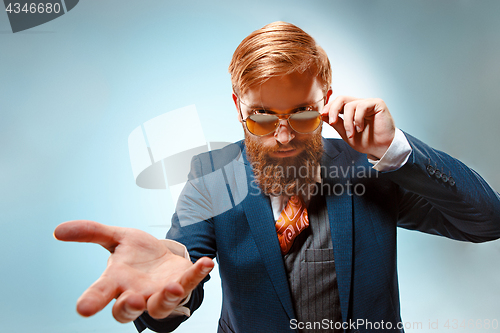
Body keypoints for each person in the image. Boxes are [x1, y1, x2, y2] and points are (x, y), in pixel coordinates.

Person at [54, 22, 500, 333]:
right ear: (237, 107)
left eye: (302, 114)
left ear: (325, 99)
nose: (283, 136)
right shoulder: (210, 177)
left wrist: (395, 149)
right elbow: (177, 272)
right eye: (262, 117)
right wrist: (169, 299)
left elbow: (486, 221)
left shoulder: (371, 166)